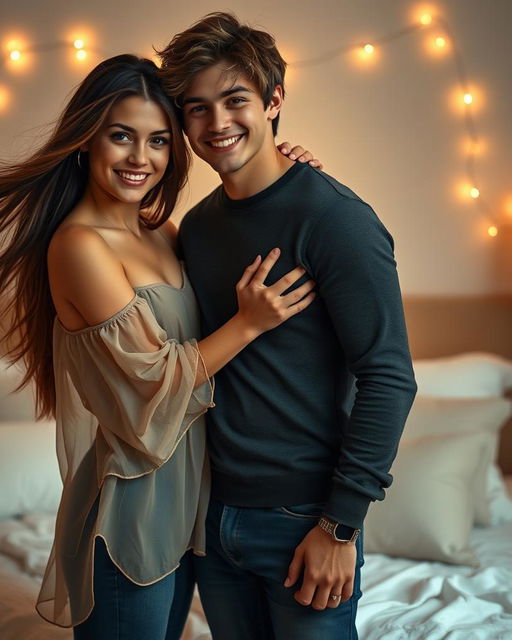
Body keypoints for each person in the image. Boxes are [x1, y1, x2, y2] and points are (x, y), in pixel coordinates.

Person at [0, 54, 322, 639]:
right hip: (136, 505)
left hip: (193, 496)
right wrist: (248, 325)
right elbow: (155, 380)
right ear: (86, 141)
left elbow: (238, 262)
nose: (141, 158)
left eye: (158, 140)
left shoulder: (161, 231)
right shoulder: (80, 246)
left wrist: (287, 171)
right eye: (121, 136)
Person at [156, 12, 418, 640]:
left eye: (235, 99)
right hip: (210, 514)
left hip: (304, 519)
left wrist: (340, 526)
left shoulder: (336, 221)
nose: (217, 123)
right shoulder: (196, 228)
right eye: (196, 108)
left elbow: (389, 379)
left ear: (274, 102)